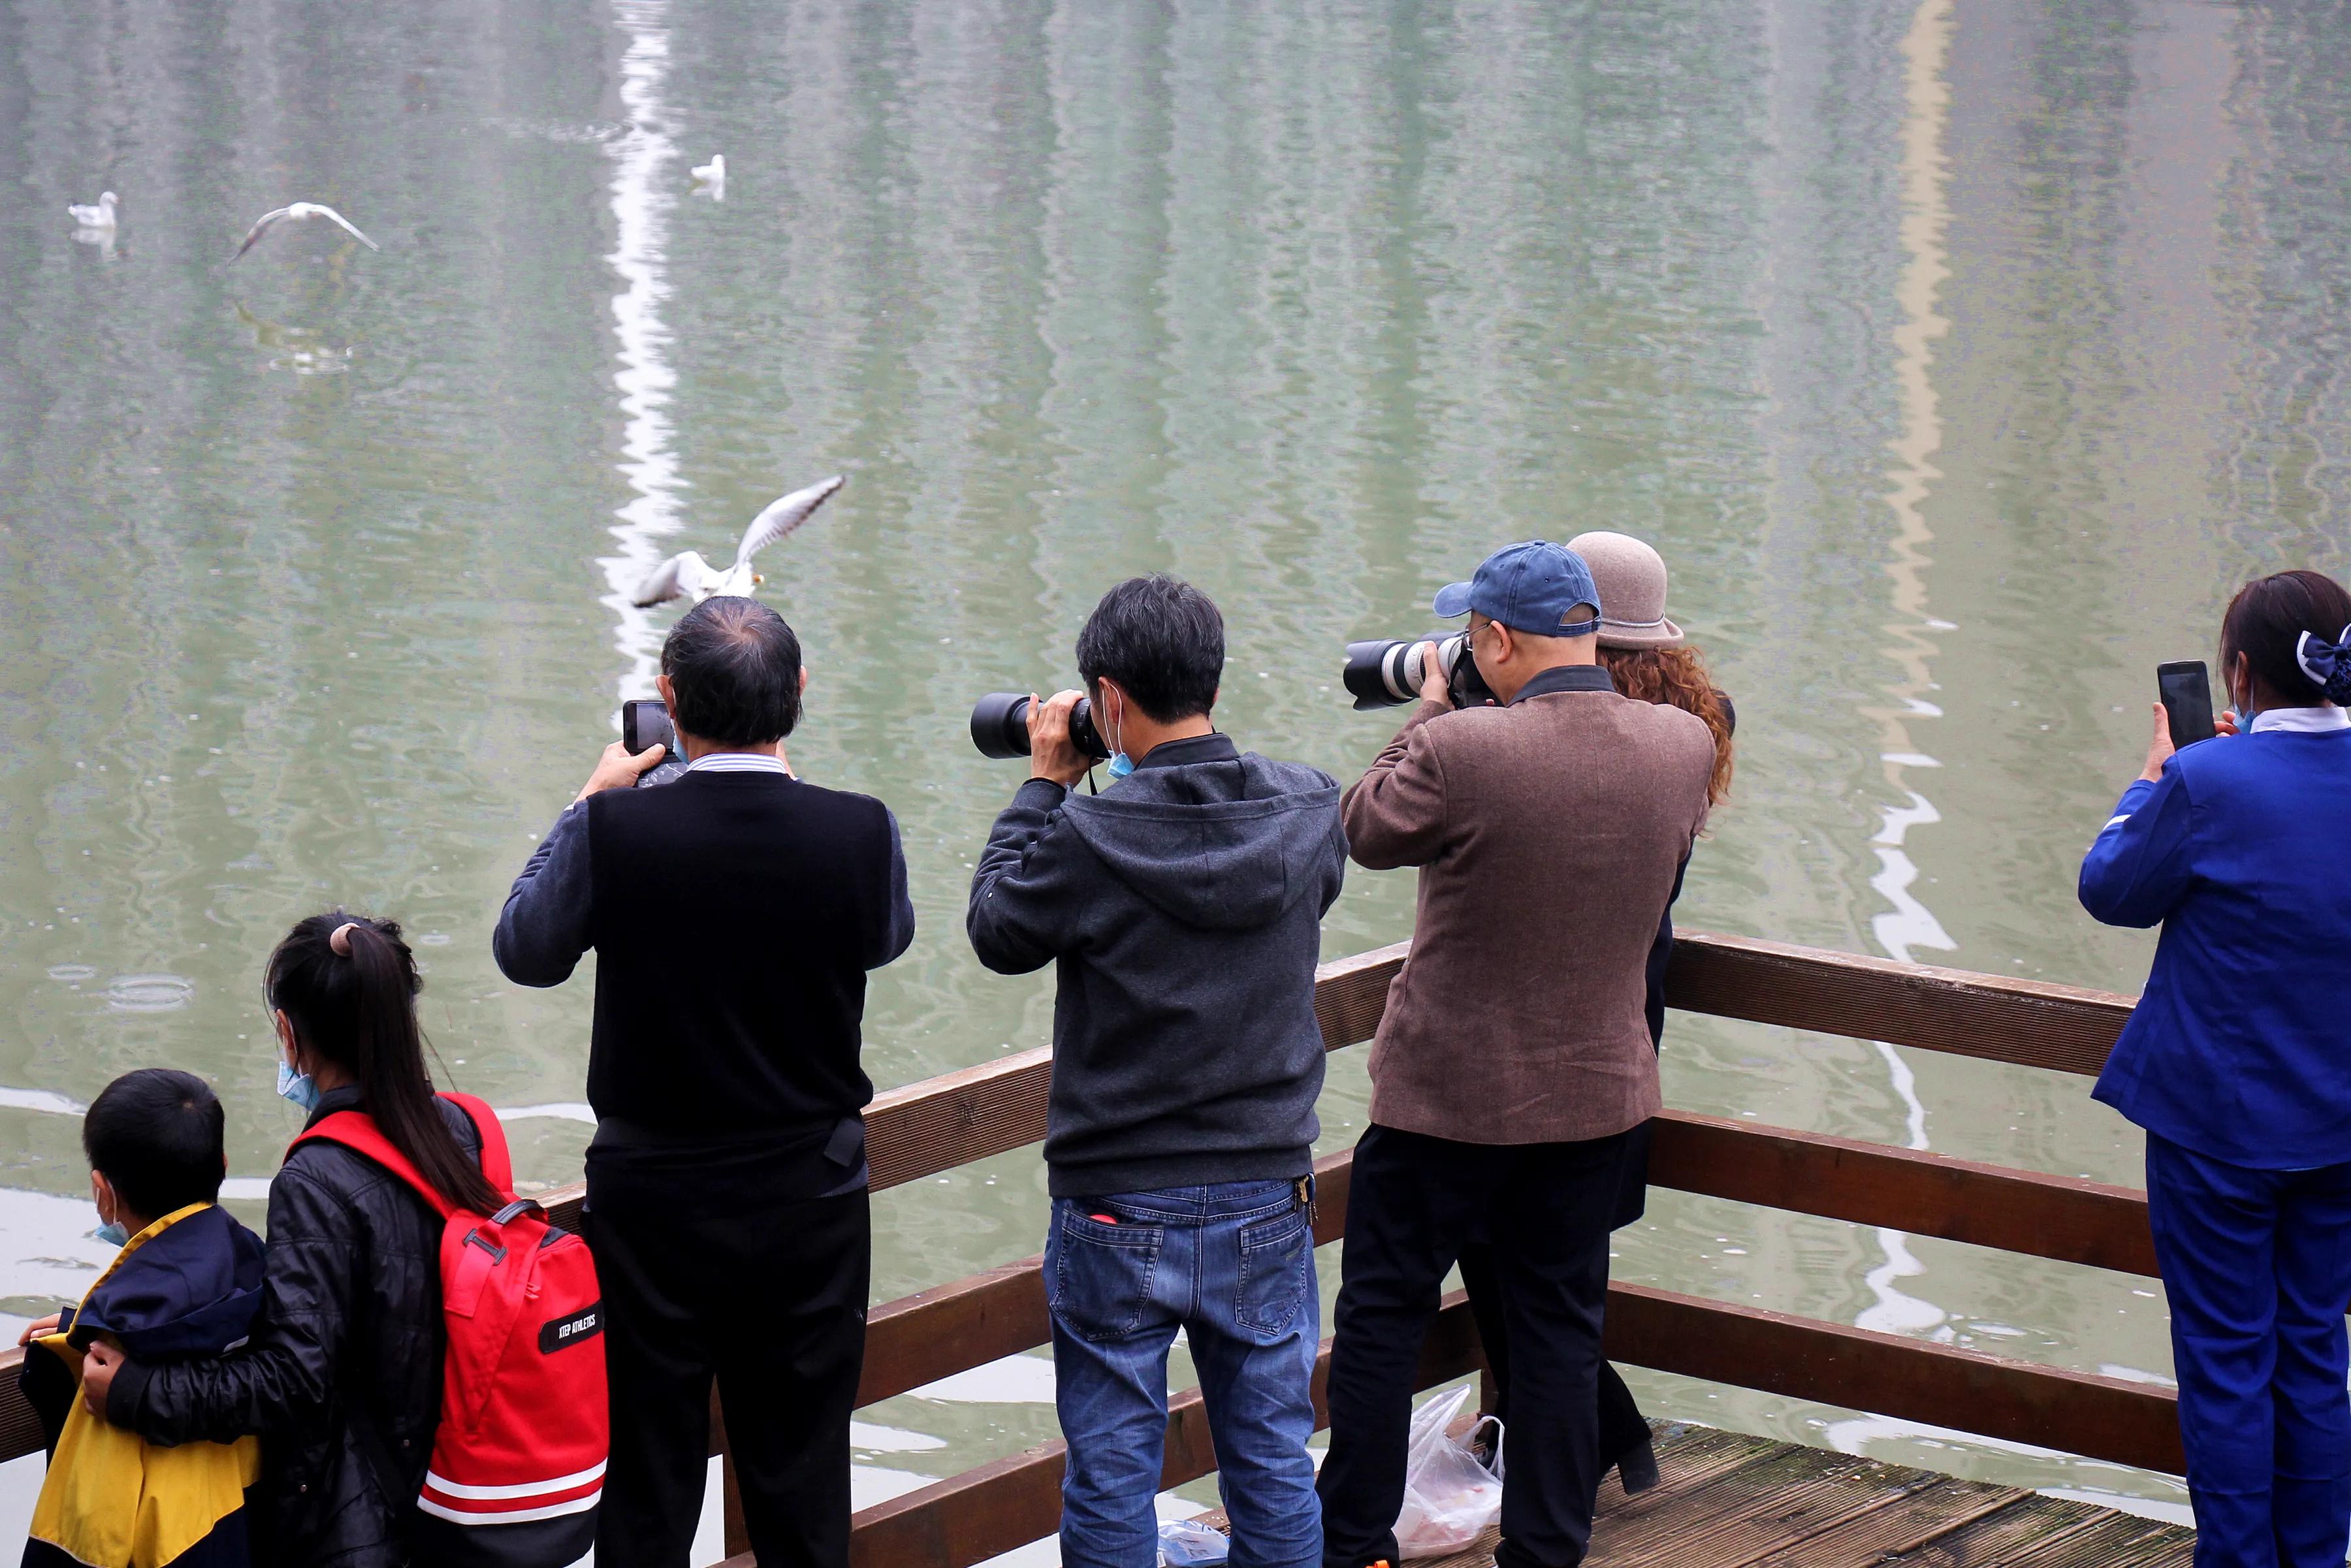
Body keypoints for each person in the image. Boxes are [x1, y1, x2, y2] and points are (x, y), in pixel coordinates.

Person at [495, 595, 914, 1568]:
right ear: (797, 694)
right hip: (809, 1198)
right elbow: (885, 937)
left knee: (647, 1482)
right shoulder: (858, 830)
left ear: (667, 699)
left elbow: (526, 951)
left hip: (652, 1207)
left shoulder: (617, 832)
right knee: (801, 1476)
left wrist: (588, 805)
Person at [1318, 541, 1716, 1568]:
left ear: (1495, 638)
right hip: (1593, 1105)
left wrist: (1435, 707)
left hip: (1441, 1106)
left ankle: (1354, 1541)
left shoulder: (1463, 751)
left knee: (1380, 1326)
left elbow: (1362, 826)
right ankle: (1543, 1550)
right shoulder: (1679, 745)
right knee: (1554, 1335)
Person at [966, 574, 1347, 1568]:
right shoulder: (1306, 806)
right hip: (1266, 1191)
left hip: (1116, 1204)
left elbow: (998, 928)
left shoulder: (1089, 834)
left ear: (1109, 699)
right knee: (1270, 1458)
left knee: (1111, 1467)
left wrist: (1048, 779)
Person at [1454, 530, 1735, 1499]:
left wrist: (1470, 713)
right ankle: (1577, 1444)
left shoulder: (1585, 731)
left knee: (1513, 1257)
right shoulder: (1693, 724)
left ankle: (1584, 1448)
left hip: (1539, 1021)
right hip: (1626, 1018)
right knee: (1554, 1263)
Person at [82, 914, 497, 1568]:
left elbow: (295, 1379)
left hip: (365, 1521)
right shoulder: (458, 1128)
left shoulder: (317, 1177)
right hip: (458, 1487)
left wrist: (139, 1390)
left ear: (287, 1031)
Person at [2079, 568, 2351, 1568]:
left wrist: (2155, 775)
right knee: (2315, 1346)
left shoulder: (2206, 781)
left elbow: (2111, 889)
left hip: (2216, 1130)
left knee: (2229, 1359)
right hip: (2340, 1124)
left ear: (2236, 672)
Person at [19, 1070, 263, 1568]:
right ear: (222, 1165)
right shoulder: (259, 1290)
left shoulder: (112, 1386)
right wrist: (77, 1331)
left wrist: (93, 1337)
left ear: (102, 1192)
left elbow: (85, 1539)